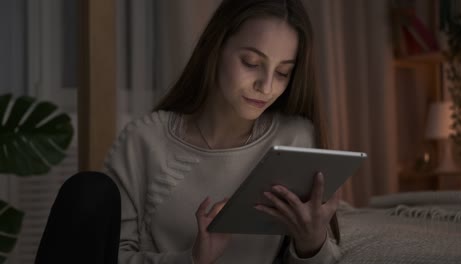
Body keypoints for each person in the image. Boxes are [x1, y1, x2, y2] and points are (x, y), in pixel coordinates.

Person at [35, 0, 341, 263]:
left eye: (283, 72)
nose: (266, 86)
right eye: (251, 63)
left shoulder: (296, 138)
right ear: (216, 48)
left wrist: (311, 244)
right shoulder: (143, 141)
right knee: (88, 191)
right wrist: (192, 258)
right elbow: (108, 255)